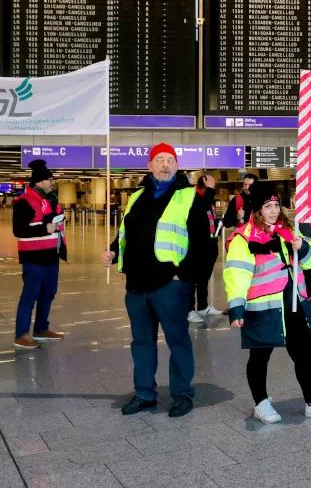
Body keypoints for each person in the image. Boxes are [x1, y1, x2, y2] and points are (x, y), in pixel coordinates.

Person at [101, 143, 215, 419]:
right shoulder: (136, 197)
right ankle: (143, 394)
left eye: (170, 160)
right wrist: (115, 251)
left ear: (176, 166)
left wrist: (186, 278)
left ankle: (182, 394)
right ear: (150, 165)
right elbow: (128, 233)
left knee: (177, 341)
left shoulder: (190, 198)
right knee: (141, 343)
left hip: (171, 286)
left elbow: (206, 246)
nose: (165, 165)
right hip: (136, 285)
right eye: (159, 160)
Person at [224, 184, 311, 424]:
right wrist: (236, 308)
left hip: (294, 303)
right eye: (268, 206)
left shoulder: (288, 230)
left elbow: (309, 262)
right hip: (263, 307)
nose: (274, 210)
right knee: (260, 356)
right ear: (257, 209)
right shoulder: (243, 238)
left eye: (277, 205)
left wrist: (303, 246)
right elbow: (236, 274)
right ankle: (261, 403)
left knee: (304, 353)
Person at [11, 159, 67, 349]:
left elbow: (54, 223)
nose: (52, 183)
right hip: (33, 256)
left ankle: (41, 328)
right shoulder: (23, 203)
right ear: (39, 182)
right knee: (30, 295)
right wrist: (45, 228)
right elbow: (18, 230)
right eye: (49, 180)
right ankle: (21, 334)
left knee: (48, 293)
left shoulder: (51, 201)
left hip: (51, 254)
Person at [188, 173, 223, 323]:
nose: (214, 186)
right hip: (195, 246)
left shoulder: (208, 200)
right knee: (192, 279)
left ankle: (202, 306)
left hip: (209, 244)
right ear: (205, 183)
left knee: (203, 277)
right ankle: (189, 310)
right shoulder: (193, 197)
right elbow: (199, 212)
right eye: (212, 183)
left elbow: (209, 217)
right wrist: (210, 190)